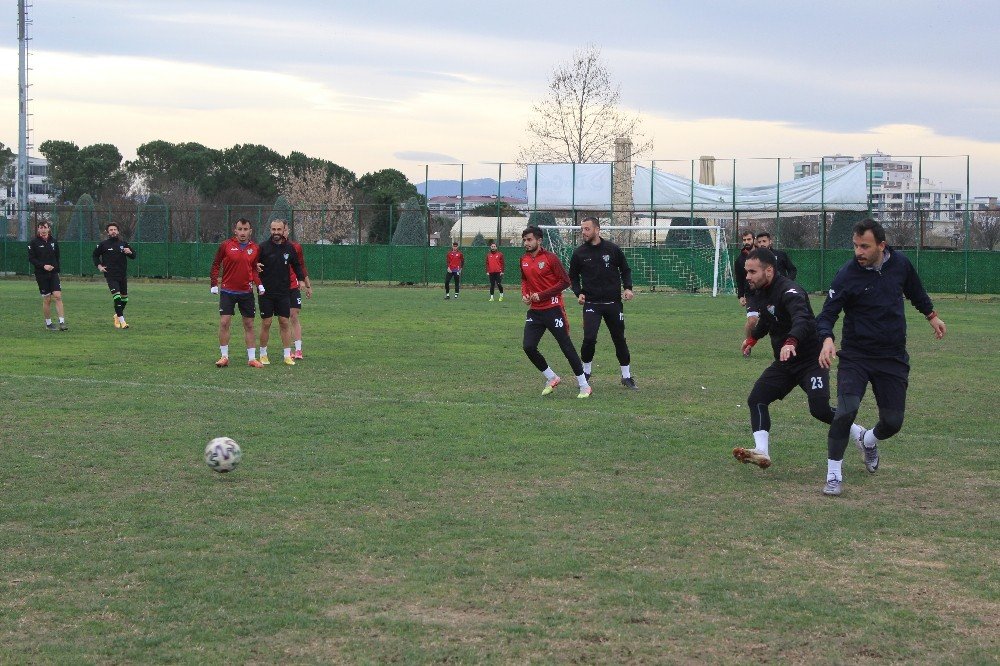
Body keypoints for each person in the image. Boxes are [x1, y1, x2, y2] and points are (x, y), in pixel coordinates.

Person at [816, 218, 947, 496]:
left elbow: (915, 291)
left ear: (882, 245)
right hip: (856, 356)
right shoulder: (847, 275)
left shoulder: (900, 264)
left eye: (865, 246)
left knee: (892, 422)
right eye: (855, 246)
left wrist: (932, 316)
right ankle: (834, 476)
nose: (858, 252)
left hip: (892, 357)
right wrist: (827, 339)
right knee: (845, 411)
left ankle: (868, 440)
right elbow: (827, 314)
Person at [733, 248, 865, 469]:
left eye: (752, 271)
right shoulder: (760, 291)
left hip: (810, 361)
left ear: (769, 270)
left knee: (820, 410)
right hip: (785, 362)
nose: (747, 277)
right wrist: (753, 339)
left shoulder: (791, 291)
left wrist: (791, 341)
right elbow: (767, 319)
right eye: (746, 272)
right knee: (756, 399)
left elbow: (803, 320)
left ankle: (858, 432)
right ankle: (762, 451)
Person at [520, 226, 592, 399]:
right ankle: (551, 377)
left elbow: (565, 282)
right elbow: (524, 280)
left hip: (553, 309)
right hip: (535, 311)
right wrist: (525, 294)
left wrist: (542, 295)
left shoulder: (551, 259)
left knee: (566, 346)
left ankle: (584, 385)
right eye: (524, 240)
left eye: (529, 239)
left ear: (539, 240)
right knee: (528, 346)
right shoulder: (523, 259)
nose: (526, 243)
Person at [568, 216, 637, 390]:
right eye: (582, 229)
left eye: (587, 229)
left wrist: (628, 288)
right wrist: (579, 293)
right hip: (592, 304)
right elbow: (573, 277)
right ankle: (586, 373)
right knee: (589, 339)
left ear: (597, 230)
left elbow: (625, 269)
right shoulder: (579, 253)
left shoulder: (612, 249)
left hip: (613, 303)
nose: (584, 232)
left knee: (619, 339)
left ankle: (626, 376)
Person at [209, 218, 264, 368]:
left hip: (246, 292)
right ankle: (224, 356)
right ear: (235, 230)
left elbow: (254, 268)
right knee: (224, 322)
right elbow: (215, 264)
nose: (242, 232)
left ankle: (252, 359)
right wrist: (214, 283)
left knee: (249, 324)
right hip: (227, 291)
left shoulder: (255, 248)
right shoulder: (226, 245)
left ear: (250, 231)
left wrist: (259, 284)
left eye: (245, 229)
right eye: (240, 229)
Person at [256, 219, 305, 366]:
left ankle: (286, 355)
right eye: (273, 229)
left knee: (284, 322)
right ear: (270, 230)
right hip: (266, 292)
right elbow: (253, 264)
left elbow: (297, 265)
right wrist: (255, 265)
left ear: (284, 230)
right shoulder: (263, 247)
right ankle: (263, 354)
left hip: (284, 292)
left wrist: (301, 281)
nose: (276, 232)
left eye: (279, 229)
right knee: (267, 322)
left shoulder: (289, 248)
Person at [92, 223, 137, 329]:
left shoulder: (123, 243)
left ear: (118, 231)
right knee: (117, 298)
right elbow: (95, 255)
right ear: (107, 232)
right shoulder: (103, 244)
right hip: (110, 275)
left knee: (124, 300)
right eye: (111, 230)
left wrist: (129, 252)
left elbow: (134, 256)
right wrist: (99, 266)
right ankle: (123, 322)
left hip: (122, 275)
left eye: (115, 229)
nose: (113, 231)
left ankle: (117, 316)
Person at [27, 221, 68, 331]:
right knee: (47, 299)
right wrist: (43, 266)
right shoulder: (33, 243)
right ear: (38, 229)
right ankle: (48, 324)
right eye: (41, 227)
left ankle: (62, 322)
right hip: (41, 274)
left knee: (58, 296)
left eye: (45, 227)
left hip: (53, 273)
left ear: (49, 229)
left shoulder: (53, 241)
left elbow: (57, 256)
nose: (43, 229)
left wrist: (56, 269)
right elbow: (31, 259)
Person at [282, 224, 312, 359]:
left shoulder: (295, 247)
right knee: (282, 319)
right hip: (279, 288)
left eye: (285, 230)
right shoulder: (270, 247)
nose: (282, 232)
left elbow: (301, 266)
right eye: (279, 230)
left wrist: (308, 285)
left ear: (288, 231)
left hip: (293, 287)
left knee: (294, 315)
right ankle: (286, 350)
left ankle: (298, 350)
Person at [734, 230, 757, 337]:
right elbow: (739, 279)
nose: (746, 242)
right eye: (744, 240)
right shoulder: (740, 260)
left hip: (766, 292)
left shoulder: (763, 254)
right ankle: (748, 344)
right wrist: (741, 296)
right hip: (750, 294)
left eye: (749, 239)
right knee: (752, 321)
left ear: (754, 240)